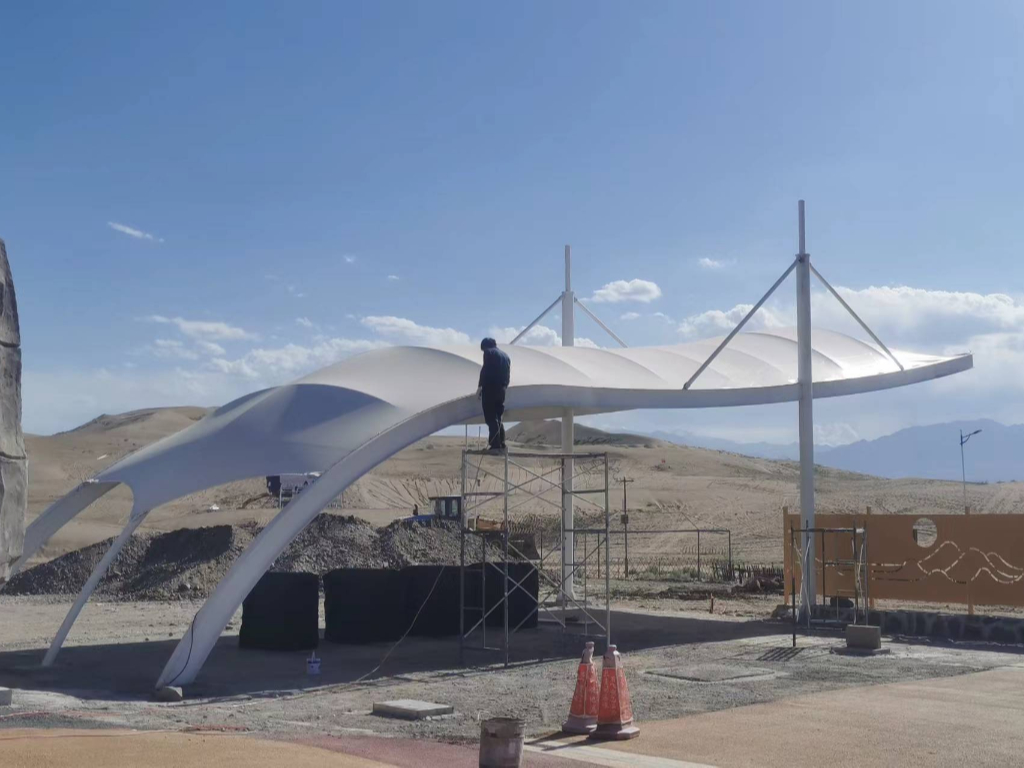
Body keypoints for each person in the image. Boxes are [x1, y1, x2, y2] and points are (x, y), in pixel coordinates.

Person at [477, 337, 510, 452]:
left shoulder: (489, 352)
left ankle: (495, 444)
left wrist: (480, 386)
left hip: (490, 388)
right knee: (498, 416)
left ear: (485, 346)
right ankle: (502, 442)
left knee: (490, 416)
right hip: (502, 389)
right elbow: (507, 374)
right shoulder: (505, 356)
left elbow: (485, 370)